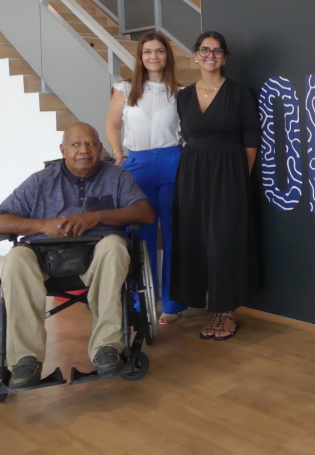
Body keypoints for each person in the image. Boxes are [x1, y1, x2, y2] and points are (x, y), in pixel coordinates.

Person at [0, 123, 154, 387]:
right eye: (75, 144)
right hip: (44, 257)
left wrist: (97, 216)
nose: (84, 150)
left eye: (91, 144)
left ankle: (106, 348)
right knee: (14, 260)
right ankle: (25, 360)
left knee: (115, 246)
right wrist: (43, 226)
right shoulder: (39, 181)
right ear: (63, 150)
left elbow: (145, 213)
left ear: (100, 148)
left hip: (97, 255)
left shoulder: (117, 177)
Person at [171, 31, 259, 341]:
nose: (211, 55)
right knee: (195, 236)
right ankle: (206, 305)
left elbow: (251, 137)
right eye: (205, 50)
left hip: (229, 169)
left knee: (224, 238)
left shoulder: (239, 92)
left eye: (217, 50)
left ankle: (227, 310)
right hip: (193, 171)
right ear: (196, 55)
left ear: (224, 57)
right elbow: (186, 134)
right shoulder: (183, 96)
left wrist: (240, 176)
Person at [105, 31, 187, 325]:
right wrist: (118, 155)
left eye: (160, 51)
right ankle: (142, 301)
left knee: (175, 232)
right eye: (148, 51)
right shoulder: (125, 89)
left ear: (167, 56)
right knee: (140, 234)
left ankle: (173, 303)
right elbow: (113, 124)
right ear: (140, 56)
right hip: (137, 163)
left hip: (172, 161)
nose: (154, 56)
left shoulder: (180, 92)